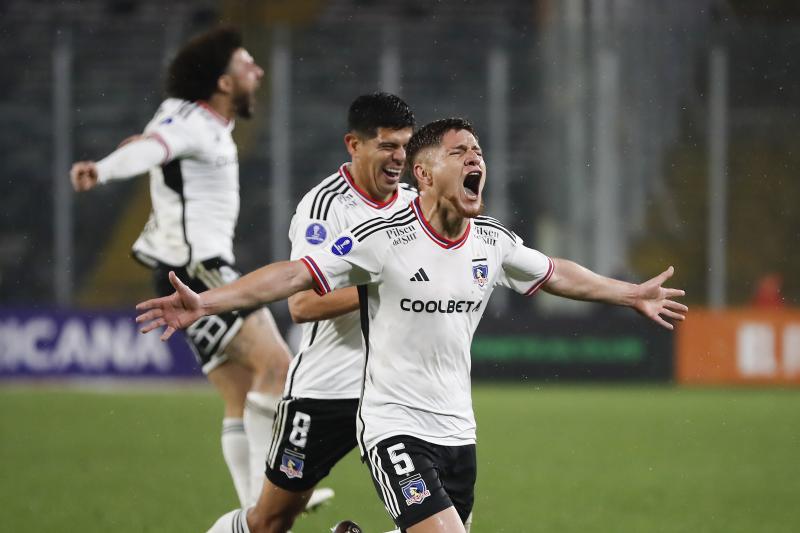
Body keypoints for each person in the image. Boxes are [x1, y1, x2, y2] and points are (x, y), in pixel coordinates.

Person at [135, 118, 688, 533]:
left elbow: (555, 272)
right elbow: (293, 276)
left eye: (478, 151)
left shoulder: (491, 241)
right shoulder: (384, 240)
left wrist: (629, 293)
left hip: (458, 431)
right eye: (460, 152)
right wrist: (208, 303)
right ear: (424, 173)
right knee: (274, 519)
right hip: (393, 426)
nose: (475, 158)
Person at [69, 26, 330, 511]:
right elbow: (152, 148)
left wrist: (130, 153)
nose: (258, 71)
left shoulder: (194, 119)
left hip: (181, 270)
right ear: (224, 82)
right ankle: (269, 501)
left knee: (240, 394)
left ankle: (254, 511)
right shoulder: (193, 124)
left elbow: (154, 143)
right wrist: (102, 169)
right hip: (198, 274)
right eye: (247, 64)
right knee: (278, 366)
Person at [205, 92, 416, 533]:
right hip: (328, 390)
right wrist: (383, 290)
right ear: (354, 145)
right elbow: (302, 304)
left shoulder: (417, 207)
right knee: (270, 522)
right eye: (387, 146)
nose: (400, 157)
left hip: (399, 390)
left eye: (404, 145)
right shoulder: (324, 208)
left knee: (443, 515)